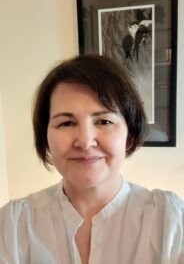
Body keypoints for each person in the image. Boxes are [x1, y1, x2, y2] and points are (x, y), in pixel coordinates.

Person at [0, 54, 183, 264]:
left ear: (129, 136)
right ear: (46, 137)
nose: (85, 142)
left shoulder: (168, 221)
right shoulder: (12, 227)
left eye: (104, 121)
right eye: (66, 123)